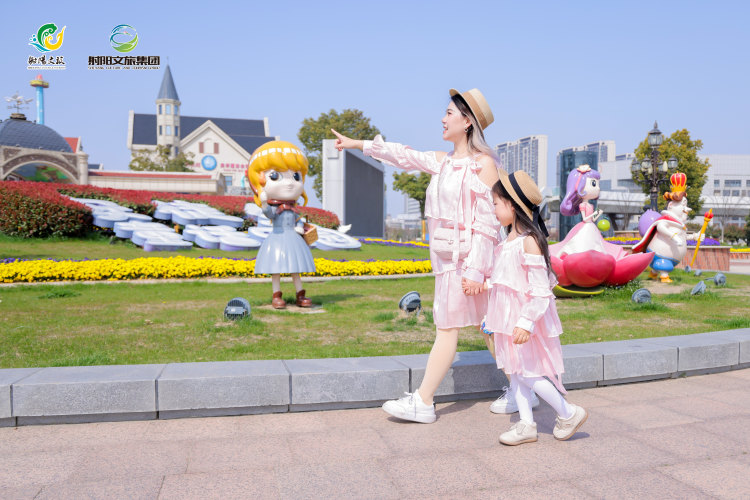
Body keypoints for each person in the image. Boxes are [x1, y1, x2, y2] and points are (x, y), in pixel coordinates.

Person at [332, 88, 501, 423]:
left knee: (453, 327)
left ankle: (424, 401)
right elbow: (403, 155)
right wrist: (358, 144)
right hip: (449, 259)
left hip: (468, 263)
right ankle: (526, 389)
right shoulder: (443, 162)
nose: (443, 118)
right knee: (490, 327)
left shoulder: (483, 165)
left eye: (450, 113)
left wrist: (476, 271)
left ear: (468, 121)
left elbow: (488, 223)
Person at [486, 170, 587, 445]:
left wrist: (526, 322)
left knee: (529, 373)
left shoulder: (528, 242)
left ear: (512, 205)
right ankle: (526, 424)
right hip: (508, 321)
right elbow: (506, 281)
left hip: (522, 320)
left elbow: (541, 291)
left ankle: (568, 412)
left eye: (496, 203)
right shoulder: (507, 241)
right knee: (517, 374)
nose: (493, 209)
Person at [246, 140, 315, 309]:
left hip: (293, 239)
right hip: (277, 239)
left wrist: (300, 226)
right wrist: (264, 203)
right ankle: (276, 295)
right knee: (275, 267)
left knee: (295, 267)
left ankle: (300, 294)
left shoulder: (292, 208)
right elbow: (269, 214)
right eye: (275, 176)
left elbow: (297, 219)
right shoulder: (274, 208)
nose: (290, 183)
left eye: (296, 176)